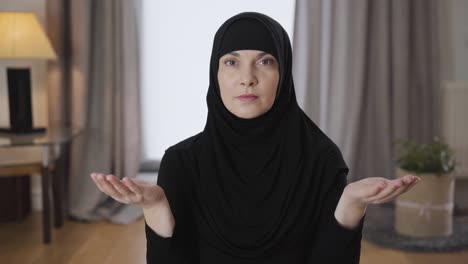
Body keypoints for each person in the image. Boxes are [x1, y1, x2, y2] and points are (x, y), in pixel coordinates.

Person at [90, 12, 421, 264]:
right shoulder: (182, 161)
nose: (247, 78)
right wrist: (156, 207)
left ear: (283, 73)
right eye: (231, 62)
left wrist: (351, 204)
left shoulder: (321, 157)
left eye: (264, 61)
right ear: (215, 74)